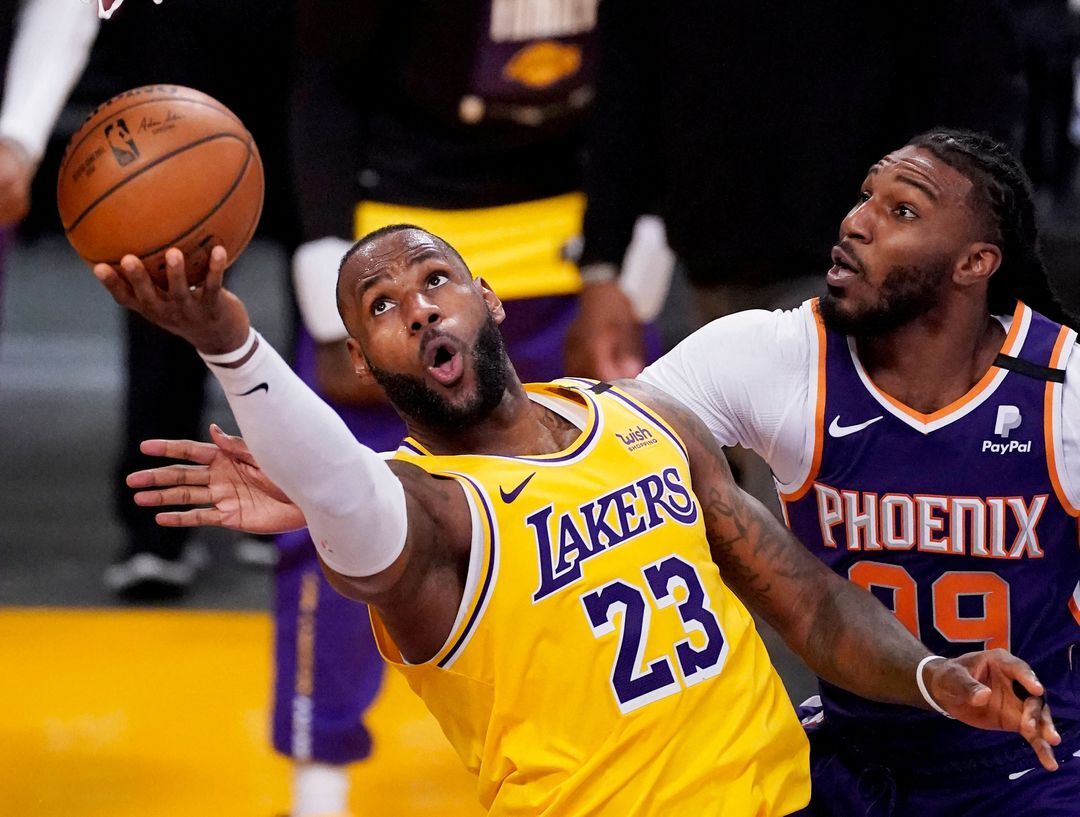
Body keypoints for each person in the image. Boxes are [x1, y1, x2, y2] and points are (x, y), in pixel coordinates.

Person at [96, 225, 1057, 815]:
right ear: (360, 358)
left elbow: (805, 599)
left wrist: (932, 675)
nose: (420, 311)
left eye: (435, 281)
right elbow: (345, 489)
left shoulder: (641, 415)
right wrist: (230, 341)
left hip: (796, 797)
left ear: (490, 298)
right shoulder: (429, 523)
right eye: (382, 306)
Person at [638, 130, 1080, 814]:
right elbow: (606, 448)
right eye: (867, 195)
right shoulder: (782, 354)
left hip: (1033, 764)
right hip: (853, 755)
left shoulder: (1063, 387)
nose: (857, 221)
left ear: (976, 262)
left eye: (903, 210)